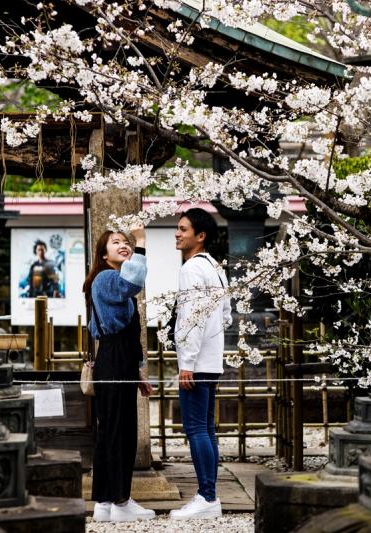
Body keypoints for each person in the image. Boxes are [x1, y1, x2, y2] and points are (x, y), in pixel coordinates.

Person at [84, 227, 155, 523]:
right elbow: (134, 282)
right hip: (113, 359)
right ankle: (121, 501)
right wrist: (139, 246)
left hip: (117, 359)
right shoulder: (107, 278)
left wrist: (138, 369)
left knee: (113, 429)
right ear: (103, 254)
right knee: (119, 431)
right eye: (116, 243)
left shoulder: (109, 281)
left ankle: (104, 501)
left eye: (125, 242)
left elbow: (128, 333)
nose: (123, 246)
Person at [170, 208, 232, 521]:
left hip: (196, 361)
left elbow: (190, 319)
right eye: (177, 228)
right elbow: (226, 315)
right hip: (212, 358)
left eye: (183, 229)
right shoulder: (216, 268)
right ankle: (209, 495)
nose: (177, 233)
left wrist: (187, 363)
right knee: (206, 428)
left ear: (200, 236)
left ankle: (206, 496)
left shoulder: (192, 268)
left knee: (196, 429)